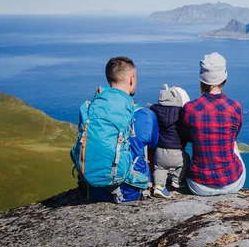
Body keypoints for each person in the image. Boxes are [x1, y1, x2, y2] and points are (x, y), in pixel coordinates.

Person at [78, 56, 158, 203]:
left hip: (94, 189)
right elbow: (153, 149)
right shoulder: (145, 115)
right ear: (132, 79)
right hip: (131, 191)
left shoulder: (90, 110)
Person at [183, 52, 246, 196]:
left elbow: (187, 137)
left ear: (201, 79)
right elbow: (233, 136)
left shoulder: (190, 108)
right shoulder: (235, 107)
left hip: (199, 186)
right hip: (232, 182)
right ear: (224, 78)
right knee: (232, 143)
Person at [149, 84, 191, 199]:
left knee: (160, 168)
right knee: (186, 160)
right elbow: (186, 133)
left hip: (160, 151)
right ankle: (177, 179)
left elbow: (151, 107)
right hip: (177, 152)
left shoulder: (156, 111)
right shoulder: (181, 114)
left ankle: (159, 187)